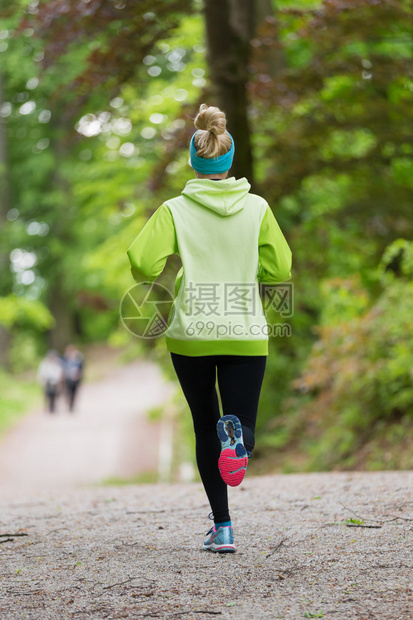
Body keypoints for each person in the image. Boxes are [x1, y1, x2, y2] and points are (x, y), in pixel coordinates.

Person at [127, 104, 292, 553]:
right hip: (244, 330)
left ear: (195, 161)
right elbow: (280, 269)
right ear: (229, 158)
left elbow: (141, 261)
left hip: (191, 334)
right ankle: (239, 441)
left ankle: (222, 529)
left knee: (204, 425)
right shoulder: (257, 208)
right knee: (241, 424)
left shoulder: (174, 210)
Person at [62, 344, 84, 412]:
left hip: (75, 379)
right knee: (68, 392)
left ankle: (72, 406)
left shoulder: (78, 359)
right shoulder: (65, 359)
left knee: (74, 393)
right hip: (68, 379)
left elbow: (81, 366)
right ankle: (68, 403)